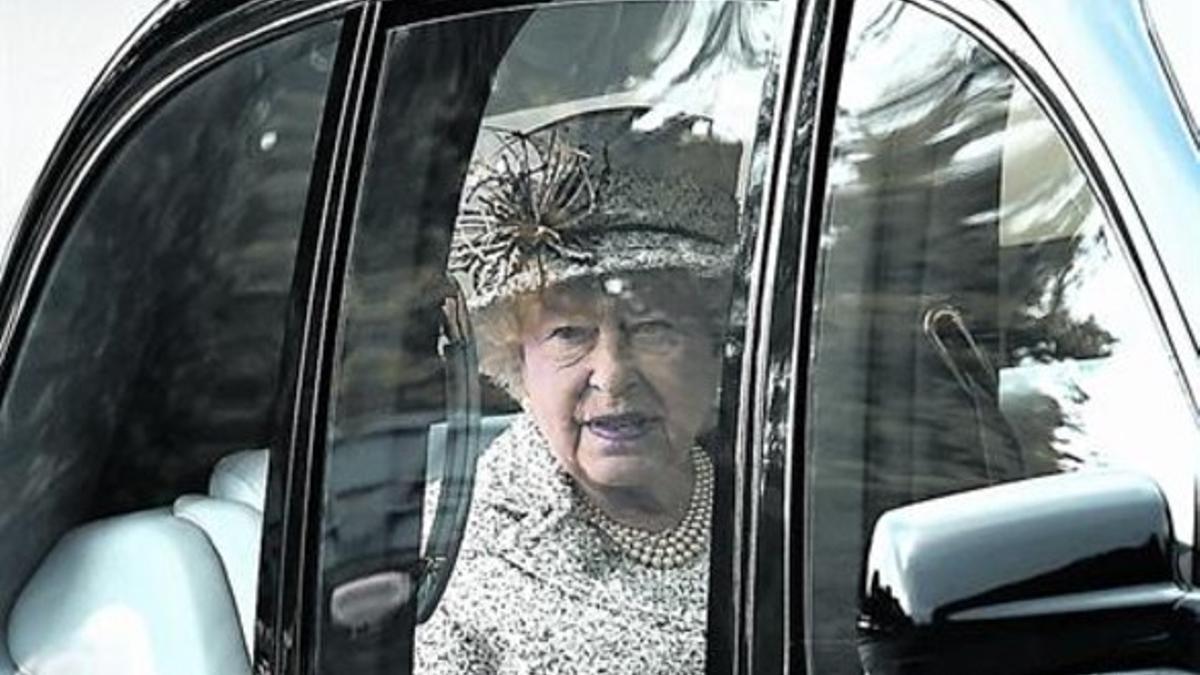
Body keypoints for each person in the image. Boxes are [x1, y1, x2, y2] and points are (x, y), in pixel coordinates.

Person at [415, 107, 742, 674]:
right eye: (570, 334)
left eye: (652, 328)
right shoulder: (449, 547)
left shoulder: (775, 487)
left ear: (713, 349)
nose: (612, 375)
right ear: (518, 360)